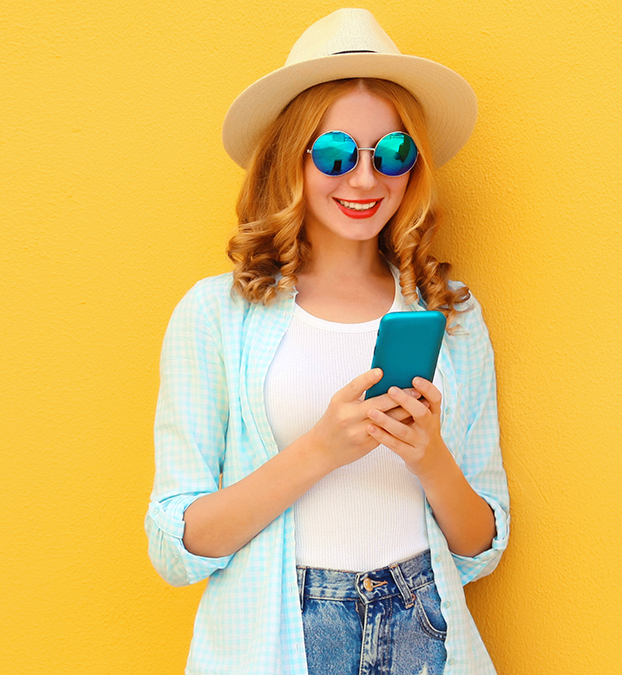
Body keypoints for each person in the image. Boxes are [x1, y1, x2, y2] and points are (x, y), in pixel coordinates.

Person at [146, 9, 510, 675]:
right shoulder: (213, 314)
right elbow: (178, 545)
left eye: (393, 153)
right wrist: (320, 449)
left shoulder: (450, 314)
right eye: (337, 154)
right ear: (292, 160)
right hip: (277, 635)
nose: (367, 181)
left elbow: (482, 545)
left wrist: (429, 457)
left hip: (421, 619)